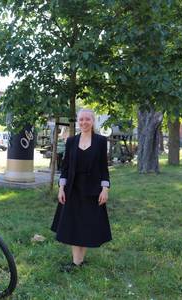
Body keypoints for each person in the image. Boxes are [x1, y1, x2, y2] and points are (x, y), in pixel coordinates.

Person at [51, 109, 111, 271]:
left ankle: (78, 262)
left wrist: (105, 189)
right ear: (78, 121)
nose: (84, 122)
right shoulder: (71, 141)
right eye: (81, 119)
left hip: (92, 190)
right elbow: (65, 167)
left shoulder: (100, 141)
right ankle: (77, 262)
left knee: (85, 225)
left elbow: (103, 168)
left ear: (93, 121)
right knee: (73, 225)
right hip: (72, 189)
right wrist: (61, 188)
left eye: (87, 119)